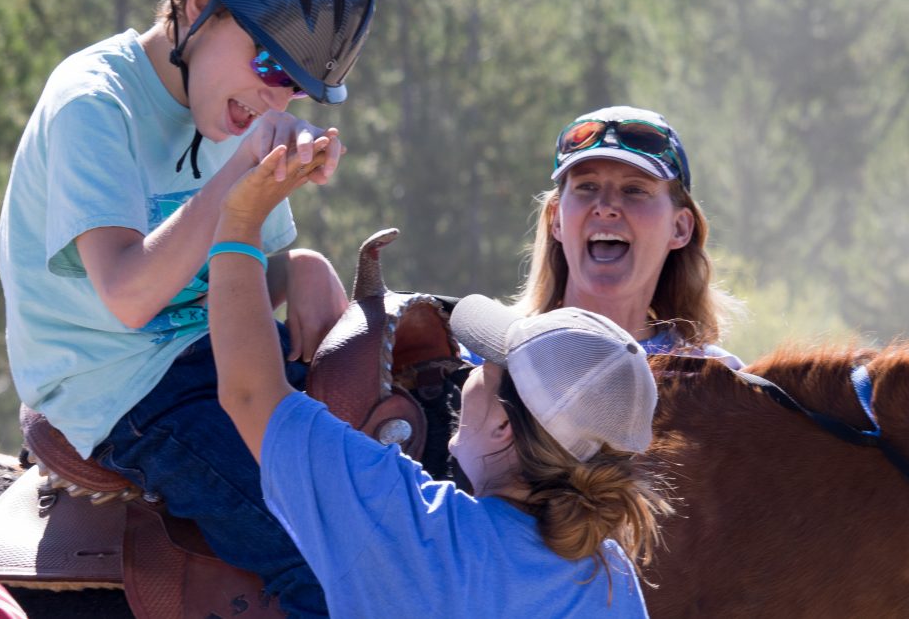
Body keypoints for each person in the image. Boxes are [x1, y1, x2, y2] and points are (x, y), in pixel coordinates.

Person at [0, 0, 375, 617]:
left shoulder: (228, 112)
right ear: (199, 7)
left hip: (212, 354)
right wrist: (241, 174)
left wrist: (298, 268)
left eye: (296, 89)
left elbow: (244, 276)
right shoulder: (93, 102)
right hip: (123, 389)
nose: (275, 100)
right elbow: (131, 295)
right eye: (271, 66)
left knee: (381, 478)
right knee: (323, 563)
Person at [207, 142, 671, 619]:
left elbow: (249, 392)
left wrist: (241, 219)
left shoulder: (410, 523)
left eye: (485, 368)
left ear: (503, 427)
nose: (465, 375)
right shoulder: (609, 575)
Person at [513, 104, 743, 368]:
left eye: (634, 190)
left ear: (679, 227)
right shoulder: (489, 362)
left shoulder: (715, 382)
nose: (606, 207)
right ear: (556, 220)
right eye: (587, 186)